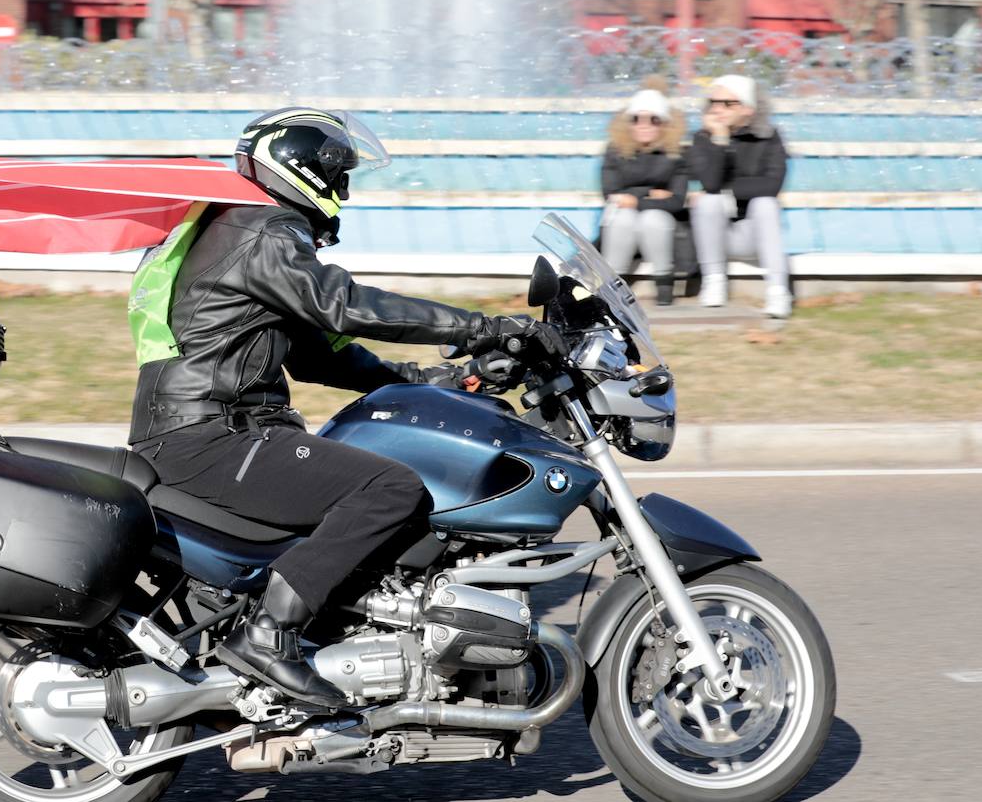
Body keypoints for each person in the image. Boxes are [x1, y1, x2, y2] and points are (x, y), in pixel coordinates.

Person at [127, 107, 566, 708]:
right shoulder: (262, 230)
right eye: (339, 176)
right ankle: (269, 633)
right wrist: (483, 327)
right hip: (214, 435)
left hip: (202, 431)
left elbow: (318, 354)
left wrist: (430, 378)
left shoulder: (237, 229)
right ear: (301, 169)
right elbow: (344, 305)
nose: (344, 192)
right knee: (392, 489)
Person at [687, 74, 792, 318]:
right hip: (716, 237)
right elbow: (710, 183)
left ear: (748, 108)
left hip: (755, 236)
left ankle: (778, 290)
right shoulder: (704, 138)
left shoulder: (769, 137)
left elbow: (771, 185)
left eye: (727, 103)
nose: (717, 109)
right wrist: (720, 141)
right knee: (708, 202)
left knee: (765, 203)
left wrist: (727, 193)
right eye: (713, 102)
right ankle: (714, 280)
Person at [599, 76, 688, 306]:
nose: (644, 124)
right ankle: (611, 290)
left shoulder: (675, 154)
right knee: (623, 218)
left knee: (652, 219)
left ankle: (664, 286)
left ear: (665, 123)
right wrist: (651, 195)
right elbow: (610, 192)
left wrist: (635, 199)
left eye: (654, 119)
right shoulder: (615, 150)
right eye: (637, 119)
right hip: (623, 221)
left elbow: (677, 200)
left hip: (661, 225)